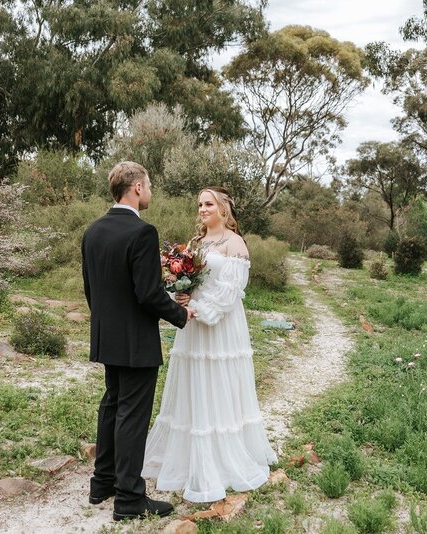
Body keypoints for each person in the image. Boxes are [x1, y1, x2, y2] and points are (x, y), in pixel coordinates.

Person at [142, 186, 278, 503]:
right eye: (200, 204)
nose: (202, 209)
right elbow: (185, 282)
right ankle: (189, 457)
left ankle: (223, 457)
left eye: (208, 204)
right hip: (192, 324)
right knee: (193, 384)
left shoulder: (235, 243)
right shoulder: (195, 243)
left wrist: (200, 310)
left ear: (223, 209)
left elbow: (233, 291)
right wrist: (181, 297)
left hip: (222, 325)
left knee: (220, 383)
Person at [82, 161, 195, 521]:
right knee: (131, 415)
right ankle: (130, 498)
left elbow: (91, 290)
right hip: (135, 342)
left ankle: (103, 482)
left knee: (112, 405)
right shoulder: (142, 232)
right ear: (135, 189)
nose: (150, 192)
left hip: (106, 336)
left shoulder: (93, 231)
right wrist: (180, 314)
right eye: (148, 186)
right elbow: (147, 293)